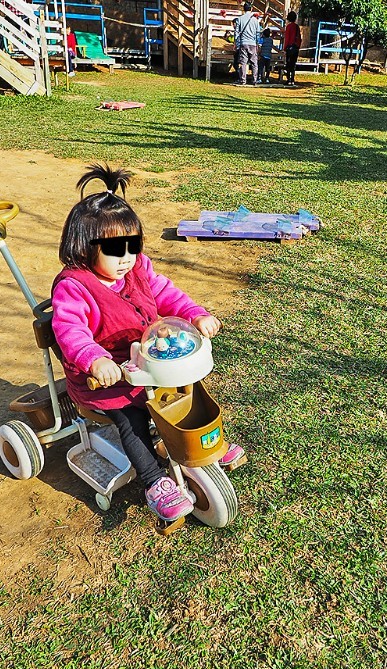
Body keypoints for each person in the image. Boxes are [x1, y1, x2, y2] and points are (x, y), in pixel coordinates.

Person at [51, 164, 246, 526]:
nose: (126, 256)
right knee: (133, 420)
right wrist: (95, 360)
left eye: (132, 245)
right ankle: (155, 482)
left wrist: (194, 314)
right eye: (113, 249)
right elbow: (70, 330)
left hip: (153, 359)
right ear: (84, 247)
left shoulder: (138, 268)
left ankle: (203, 446)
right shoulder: (74, 287)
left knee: (189, 391)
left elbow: (166, 293)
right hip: (111, 378)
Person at [233, 1, 262, 86]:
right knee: (254, 62)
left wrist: (236, 43)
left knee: (243, 62)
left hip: (243, 43)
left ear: (243, 9)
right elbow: (258, 33)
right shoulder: (255, 20)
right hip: (252, 43)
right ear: (251, 9)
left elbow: (236, 33)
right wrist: (257, 43)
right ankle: (254, 80)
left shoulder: (239, 19)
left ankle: (243, 80)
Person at [283, 10, 301, 86]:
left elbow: (287, 38)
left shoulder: (289, 26)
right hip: (296, 47)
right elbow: (299, 38)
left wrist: (285, 48)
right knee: (293, 64)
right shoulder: (297, 27)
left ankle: (288, 79)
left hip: (289, 47)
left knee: (288, 64)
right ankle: (292, 79)